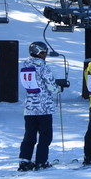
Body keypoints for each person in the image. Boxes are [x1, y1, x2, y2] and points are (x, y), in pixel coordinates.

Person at [17, 41, 58, 171]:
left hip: (29, 107)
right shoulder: (42, 67)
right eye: (44, 52)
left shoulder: (25, 66)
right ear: (39, 53)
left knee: (29, 135)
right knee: (45, 135)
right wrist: (58, 89)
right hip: (43, 106)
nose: (46, 55)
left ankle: (24, 160)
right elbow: (51, 85)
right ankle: (41, 161)